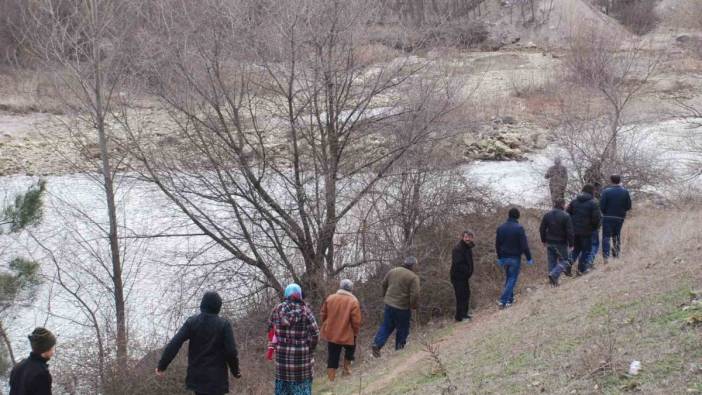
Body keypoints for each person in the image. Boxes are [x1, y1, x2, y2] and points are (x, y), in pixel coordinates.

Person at [156, 291, 241, 395]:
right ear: (218, 307)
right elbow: (231, 352)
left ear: (202, 305)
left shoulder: (192, 322)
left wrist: (162, 365)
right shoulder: (224, 325)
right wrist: (235, 371)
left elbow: (175, 343)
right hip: (217, 381)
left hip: (197, 379)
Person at [269, 283, 320, 395]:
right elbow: (315, 334)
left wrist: (275, 345)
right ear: (300, 295)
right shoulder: (306, 311)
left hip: (282, 365)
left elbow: (271, 330)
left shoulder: (276, 310)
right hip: (302, 364)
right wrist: (309, 349)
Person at [371, 256, 420, 358]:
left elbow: (383, 284)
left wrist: (385, 295)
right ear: (413, 265)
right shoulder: (413, 277)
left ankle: (377, 344)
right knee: (403, 328)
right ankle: (399, 349)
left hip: (389, 304)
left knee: (386, 325)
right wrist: (413, 306)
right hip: (402, 307)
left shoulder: (393, 271)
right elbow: (415, 294)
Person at [320, 279, 362, 382]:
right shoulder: (353, 301)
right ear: (351, 289)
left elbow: (323, 314)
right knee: (350, 350)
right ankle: (346, 371)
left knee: (332, 356)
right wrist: (355, 333)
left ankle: (331, 379)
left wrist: (327, 324)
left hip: (332, 333)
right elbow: (356, 321)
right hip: (347, 334)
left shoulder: (330, 298)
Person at [495, 208, 533, 309]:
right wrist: (529, 257)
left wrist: (499, 257)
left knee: (508, 278)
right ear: (518, 216)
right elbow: (524, 246)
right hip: (514, 258)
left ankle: (509, 300)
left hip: (504, 257)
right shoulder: (519, 228)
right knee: (512, 279)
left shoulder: (500, 228)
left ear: (509, 215)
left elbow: (497, 245)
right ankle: (503, 301)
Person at [10, 327, 56, 395]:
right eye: (52, 348)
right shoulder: (41, 374)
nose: (53, 352)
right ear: (44, 350)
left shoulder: (18, 366)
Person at [567, 184, 602, 274]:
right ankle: (581, 269)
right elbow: (597, 218)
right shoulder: (594, 203)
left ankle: (568, 264)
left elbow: (567, 214)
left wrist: (571, 226)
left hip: (574, 231)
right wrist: (595, 227)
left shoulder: (574, 201)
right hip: (587, 231)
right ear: (592, 191)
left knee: (576, 249)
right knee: (586, 250)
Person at [539, 198, 574, 287]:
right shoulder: (566, 216)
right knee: (565, 261)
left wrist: (543, 240)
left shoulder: (547, 215)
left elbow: (542, 229)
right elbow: (569, 231)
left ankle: (553, 283)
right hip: (561, 243)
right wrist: (571, 244)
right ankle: (554, 275)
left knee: (552, 262)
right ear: (562, 205)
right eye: (564, 204)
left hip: (549, 242)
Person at [600, 175, 632, 261]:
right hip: (619, 217)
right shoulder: (625, 192)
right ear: (619, 180)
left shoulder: (606, 192)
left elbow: (602, 206)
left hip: (608, 217)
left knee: (606, 237)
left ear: (611, 181)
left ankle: (606, 257)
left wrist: (605, 212)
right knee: (617, 236)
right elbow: (628, 206)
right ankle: (616, 255)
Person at [451, 230, 475, 322]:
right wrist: (468, 272)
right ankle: (461, 316)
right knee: (461, 296)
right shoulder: (458, 248)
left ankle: (461, 315)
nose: (468, 239)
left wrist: (469, 273)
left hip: (464, 277)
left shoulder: (467, 247)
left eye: (469, 237)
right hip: (458, 276)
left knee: (466, 294)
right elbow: (458, 264)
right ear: (462, 237)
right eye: (466, 237)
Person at [584, 160, 605, 260]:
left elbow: (600, 182)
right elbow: (587, 179)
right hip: (594, 195)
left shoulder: (596, 172)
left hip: (595, 194)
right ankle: (589, 261)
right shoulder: (591, 172)